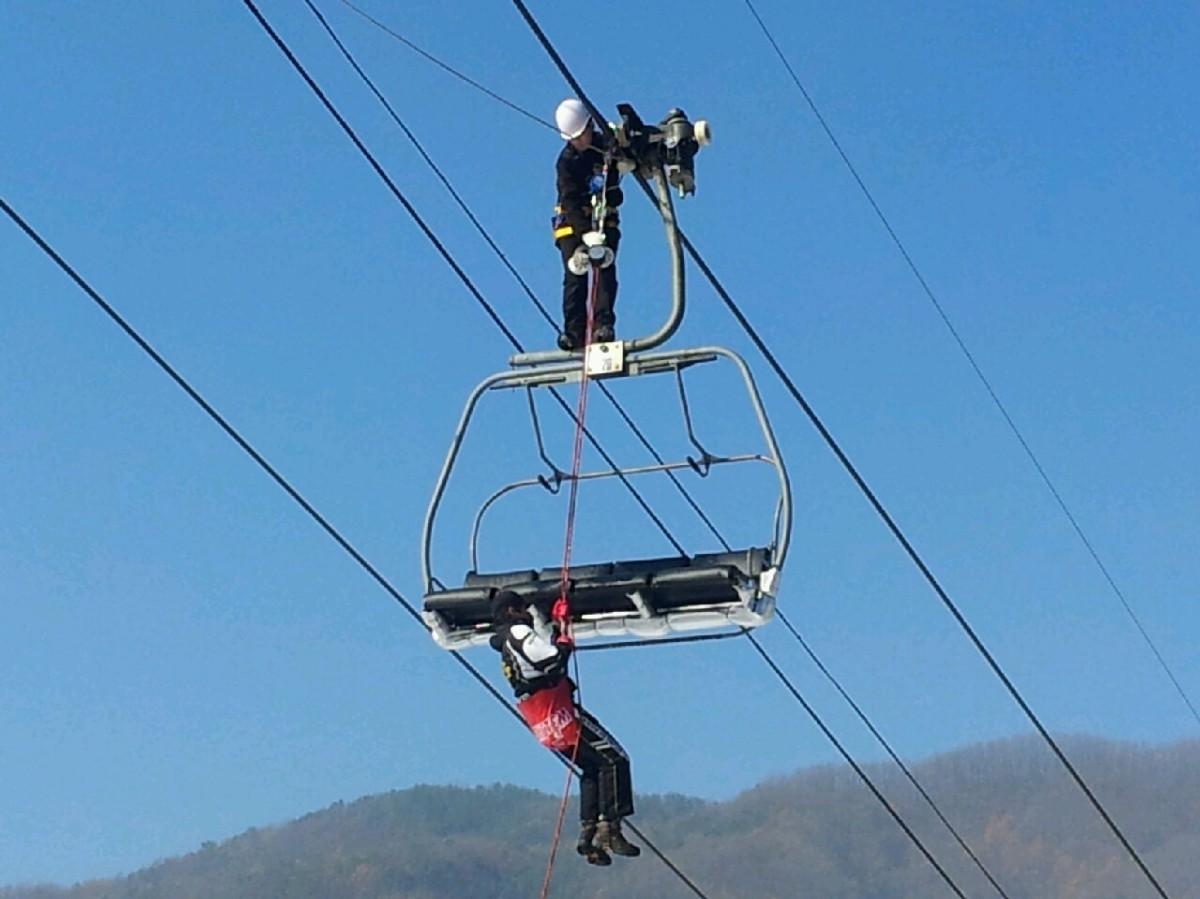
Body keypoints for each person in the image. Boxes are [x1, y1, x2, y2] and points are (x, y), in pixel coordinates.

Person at [489, 589, 640, 866]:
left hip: (543, 721)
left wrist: (557, 631)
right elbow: (551, 660)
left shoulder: (505, 646)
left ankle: (588, 832)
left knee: (592, 767)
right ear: (511, 611)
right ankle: (610, 828)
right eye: (522, 608)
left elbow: (539, 664)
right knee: (615, 759)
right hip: (559, 711)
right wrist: (563, 642)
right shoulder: (518, 633)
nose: (527, 613)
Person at [552, 98, 624, 351]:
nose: (579, 142)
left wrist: (621, 149)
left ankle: (603, 326)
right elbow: (569, 200)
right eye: (573, 139)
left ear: (590, 126)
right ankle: (574, 332)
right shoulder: (566, 162)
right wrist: (585, 233)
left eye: (581, 135)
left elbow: (619, 170)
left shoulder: (606, 146)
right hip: (572, 223)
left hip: (604, 217)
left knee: (605, 269)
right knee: (576, 273)